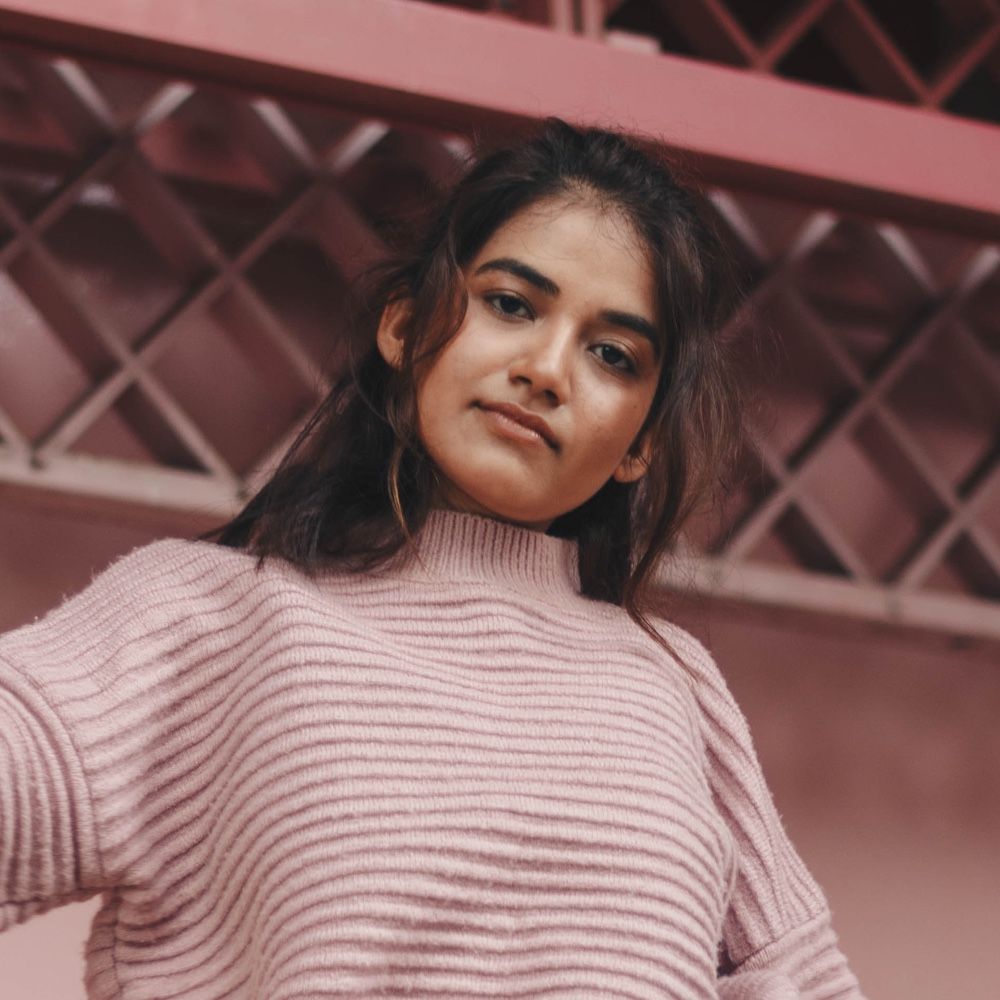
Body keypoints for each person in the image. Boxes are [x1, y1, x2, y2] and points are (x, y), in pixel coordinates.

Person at [0, 118, 865, 999]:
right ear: (405, 326)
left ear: (641, 443)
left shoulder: (677, 686)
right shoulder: (206, 620)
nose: (547, 368)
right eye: (511, 304)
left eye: (613, 354)